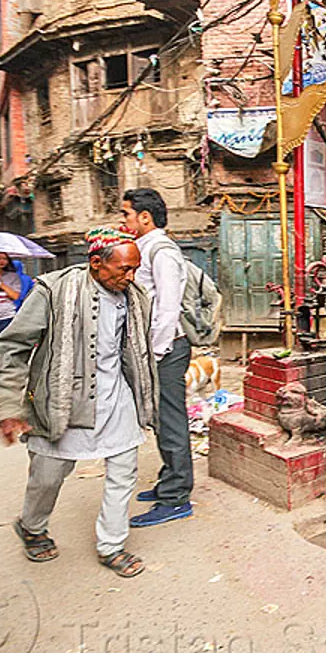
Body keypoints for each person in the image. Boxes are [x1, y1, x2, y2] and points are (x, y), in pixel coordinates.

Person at [0, 227, 158, 578]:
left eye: (135, 269)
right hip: (60, 398)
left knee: (123, 471)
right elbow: (8, 349)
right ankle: (31, 526)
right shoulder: (53, 290)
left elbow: (135, 352)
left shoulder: (134, 296)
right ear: (95, 263)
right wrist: (3, 407)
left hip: (115, 397)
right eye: (124, 269)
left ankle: (112, 544)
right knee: (48, 475)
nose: (131, 277)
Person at [121, 188, 193, 527]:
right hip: (155, 349)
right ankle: (169, 480)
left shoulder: (162, 251)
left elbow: (167, 307)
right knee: (161, 421)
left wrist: (157, 352)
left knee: (171, 421)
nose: (123, 220)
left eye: (127, 214)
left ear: (144, 217)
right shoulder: (144, 249)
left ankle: (177, 497)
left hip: (166, 349)